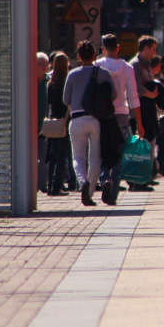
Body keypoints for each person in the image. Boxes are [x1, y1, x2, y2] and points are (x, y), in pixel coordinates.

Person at [63, 40, 116, 206]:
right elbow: (113, 95)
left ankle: (82, 181)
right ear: (94, 55)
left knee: (78, 157)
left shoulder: (72, 74)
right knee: (95, 159)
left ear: (79, 57)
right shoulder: (103, 73)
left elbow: (65, 99)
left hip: (76, 119)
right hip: (95, 120)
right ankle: (91, 192)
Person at [95, 33, 143, 205]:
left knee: (101, 150)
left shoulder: (97, 66)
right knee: (119, 155)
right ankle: (113, 193)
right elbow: (133, 96)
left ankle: (104, 178)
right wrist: (139, 123)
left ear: (103, 49)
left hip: (102, 115)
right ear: (118, 47)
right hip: (122, 114)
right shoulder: (128, 68)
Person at [129, 35, 160, 191]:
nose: (155, 53)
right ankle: (138, 182)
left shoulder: (145, 65)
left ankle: (142, 180)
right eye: (153, 49)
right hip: (139, 111)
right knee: (140, 147)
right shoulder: (135, 65)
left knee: (146, 146)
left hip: (147, 111)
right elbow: (137, 87)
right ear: (145, 48)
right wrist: (152, 94)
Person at [44, 52, 71, 196]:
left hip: (53, 120)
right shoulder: (67, 82)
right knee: (62, 155)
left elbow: (49, 102)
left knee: (53, 155)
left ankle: (50, 185)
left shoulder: (50, 84)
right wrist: (66, 118)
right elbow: (68, 102)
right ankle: (56, 186)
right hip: (64, 120)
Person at [36, 52, 50, 193]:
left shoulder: (50, 81)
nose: (44, 67)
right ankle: (32, 184)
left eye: (46, 64)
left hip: (45, 125)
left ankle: (43, 185)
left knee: (44, 157)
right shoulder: (28, 82)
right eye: (41, 64)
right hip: (31, 125)